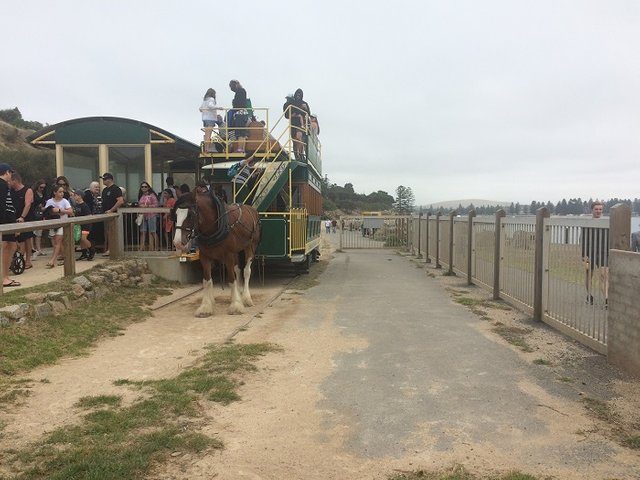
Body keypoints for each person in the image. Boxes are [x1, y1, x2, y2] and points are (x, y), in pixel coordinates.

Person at [581, 200, 609, 306]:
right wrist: (584, 255)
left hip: (603, 253)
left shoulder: (607, 223)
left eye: (600, 209)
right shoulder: (587, 224)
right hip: (590, 253)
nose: (598, 211)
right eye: (596, 209)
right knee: (589, 275)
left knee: (604, 275)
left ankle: (606, 299)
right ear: (592, 210)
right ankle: (589, 295)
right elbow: (582, 240)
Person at [43, 185, 73, 268]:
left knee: (58, 241)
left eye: (63, 192)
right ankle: (64, 256)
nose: (62, 193)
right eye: (60, 192)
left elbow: (70, 211)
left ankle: (52, 260)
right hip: (52, 224)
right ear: (54, 192)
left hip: (62, 224)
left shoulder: (65, 201)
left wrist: (60, 210)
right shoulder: (49, 201)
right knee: (55, 243)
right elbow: (46, 212)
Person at [10, 172, 35, 269]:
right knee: (17, 240)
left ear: (15, 180)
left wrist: (22, 217)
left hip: (26, 218)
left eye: (10, 181)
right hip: (14, 218)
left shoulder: (27, 190)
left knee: (27, 239)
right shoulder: (11, 191)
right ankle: (19, 259)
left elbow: (27, 204)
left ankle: (28, 260)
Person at [0, 163, 19, 287]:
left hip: (7, 220)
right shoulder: (2, 185)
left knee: (10, 246)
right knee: (8, 247)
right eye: (10, 173)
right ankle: (4, 277)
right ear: (6, 172)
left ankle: (5, 276)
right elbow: (2, 205)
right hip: (5, 221)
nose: (11, 175)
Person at [100, 172, 124, 256]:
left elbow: (120, 201)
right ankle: (108, 248)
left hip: (113, 215)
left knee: (112, 232)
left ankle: (112, 249)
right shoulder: (104, 190)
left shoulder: (116, 189)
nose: (103, 181)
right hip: (105, 214)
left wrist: (111, 210)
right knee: (107, 232)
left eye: (104, 179)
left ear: (109, 179)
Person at [284, 88, 310, 160]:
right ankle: (297, 156)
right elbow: (286, 115)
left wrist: (305, 109)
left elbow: (308, 114)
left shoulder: (305, 103)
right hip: (292, 123)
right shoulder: (291, 103)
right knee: (294, 141)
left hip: (300, 124)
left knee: (299, 138)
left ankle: (301, 155)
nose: (298, 95)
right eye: (297, 94)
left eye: (300, 94)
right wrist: (294, 114)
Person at [72, 189, 95, 260]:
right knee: (81, 240)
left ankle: (91, 250)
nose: (74, 197)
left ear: (79, 196)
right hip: (79, 225)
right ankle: (84, 253)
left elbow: (89, 215)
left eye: (75, 195)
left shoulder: (84, 205)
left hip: (86, 225)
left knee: (83, 238)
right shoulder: (76, 205)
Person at [229, 79, 249, 154]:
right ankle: (242, 149)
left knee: (240, 132)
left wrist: (234, 104)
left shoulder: (240, 91)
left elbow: (238, 104)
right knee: (242, 133)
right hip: (242, 113)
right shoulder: (242, 91)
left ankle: (240, 149)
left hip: (240, 113)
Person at [137, 182, 159, 251]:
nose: (144, 188)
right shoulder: (141, 196)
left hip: (151, 215)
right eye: (142, 187)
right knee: (143, 232)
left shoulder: (152, 196)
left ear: (148, 188)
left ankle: (156, 247)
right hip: (143, 216)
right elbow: (139, 204)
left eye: (145, 187)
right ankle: (141, 248)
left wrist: (147, 206)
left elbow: (156, 205)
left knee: (153, 232)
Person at [200, 88, 221, 152]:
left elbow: (200, 108)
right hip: (210, 118)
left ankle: (206, 148)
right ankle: (207, 148)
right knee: (209, 134)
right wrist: (218, 107)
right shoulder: (211, 99)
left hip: (204, 118)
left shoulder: (205, 100)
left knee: (206, 134)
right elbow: (210, 106)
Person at [30, 179, 47, 257]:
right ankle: (32, 249)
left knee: (39, 233)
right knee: (32, 233)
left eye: (44, 187)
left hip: (41, 215)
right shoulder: (33, 193)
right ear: (37, 186)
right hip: (33, 215)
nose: (42, 189)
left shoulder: (44, 194)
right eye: (41, 187)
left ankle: (39, 249)